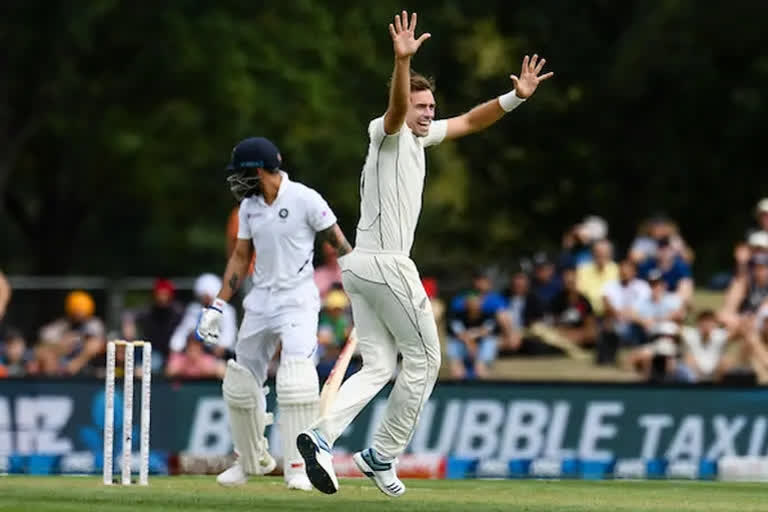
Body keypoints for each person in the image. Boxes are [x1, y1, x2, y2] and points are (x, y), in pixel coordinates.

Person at [296, 10, 552, 497]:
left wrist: (516, 98)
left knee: (378, 366)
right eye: (422, 106)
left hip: (360, 268)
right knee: (427, 359)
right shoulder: (387, 131)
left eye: (432, 106)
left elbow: (473, 121)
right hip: (387, 263)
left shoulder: (422, 135)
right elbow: (394, 112)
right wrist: (401, 62)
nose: (429, 113)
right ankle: (382, 455)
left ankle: (320, 435)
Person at [194, 136, 352, 491]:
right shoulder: (249, 208)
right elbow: (239, 256)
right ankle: (250, 460)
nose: (236, 181)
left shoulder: (305, 199)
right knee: (239, 383)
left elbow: (339, 244)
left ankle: (297, 468)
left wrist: (362, 285)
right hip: (260, 300)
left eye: (241, 173)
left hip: (298, 299)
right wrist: (218, 303)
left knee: (295, 380)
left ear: (259, 170)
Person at [38, 290, 106, 376]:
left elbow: (96, 344)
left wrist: (76, 362)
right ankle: (51, 382)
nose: (78, 314)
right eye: (76, 310)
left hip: (84, 363)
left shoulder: (94, 324)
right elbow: (45, 337)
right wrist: (62, 343)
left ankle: (73, 367)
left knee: (94, 344)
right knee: (45, 353)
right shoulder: (63, 324)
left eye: (81, 310)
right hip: (62, 360)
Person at [122, 278, 184, 371]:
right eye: (160, 294)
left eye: (165, 294)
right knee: (153, 361)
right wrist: (128, 325)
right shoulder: (148, 311)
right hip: (152, 351)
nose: (162, 298)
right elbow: (128, 314)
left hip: (174, 352)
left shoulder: (179, 312)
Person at [170, 273, 237, 358]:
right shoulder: (194, 310)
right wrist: (175, 346)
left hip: (222, 353)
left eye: (208, 296)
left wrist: (221, 347)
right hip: (199, 353)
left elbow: (229, 333)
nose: (206, 299)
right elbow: (184, 330)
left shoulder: (227, 311)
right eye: (204, 296)